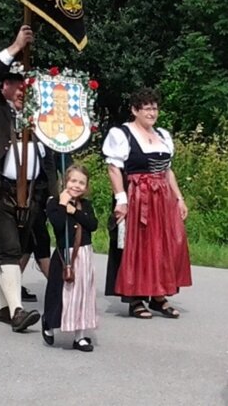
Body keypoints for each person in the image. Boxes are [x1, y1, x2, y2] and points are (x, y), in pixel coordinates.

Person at [0, 25, 56, 332]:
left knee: (16, 249)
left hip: (30, 194)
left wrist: (52, 193)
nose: (21, 90)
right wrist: (16, 47)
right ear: (3, 86)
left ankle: (3, 308)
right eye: (15, 85)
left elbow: (48, 160)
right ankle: (17, 312)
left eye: (24, 86)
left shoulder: (35, 118)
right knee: (8, 249)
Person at [102, 88, 192, 318]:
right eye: (147, 108)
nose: (152, 113)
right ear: (135, 110)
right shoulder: (122, 134)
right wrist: (121, 200)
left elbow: (167, 171)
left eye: (155, 108)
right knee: (138, 246)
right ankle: (135, 298)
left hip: (162, 198)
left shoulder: (162, 135)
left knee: (164, 245)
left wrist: (179, 198)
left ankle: (159, 296)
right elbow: (114, 168)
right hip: (137, 196)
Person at [42, 165, 98, 352]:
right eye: (73, 181)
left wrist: (74, 211)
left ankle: (79, 336)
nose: (76, 185)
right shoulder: (54, 203)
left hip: (84, 254)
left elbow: (92, 225)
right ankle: (49, 323)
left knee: (82, 295)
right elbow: (58, 225)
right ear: (65, 182)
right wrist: (62, 204)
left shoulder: (85, 205)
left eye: (81, 183)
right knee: (60, 293)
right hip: (64, 256)